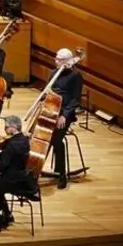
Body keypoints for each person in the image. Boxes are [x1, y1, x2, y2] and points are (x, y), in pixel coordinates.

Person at [47, 48, 84, 189]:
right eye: (56, 58)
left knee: (56, 140)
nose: (55, 61)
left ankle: (61, 174)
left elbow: (75, 99)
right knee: (41, 137)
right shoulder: (53, 73)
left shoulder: (76, 76)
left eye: (59, 59)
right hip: (50, 110)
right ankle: (34, 170)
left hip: (65, 114)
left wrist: (64, 115)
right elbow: (47, 91)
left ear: (67, 61)